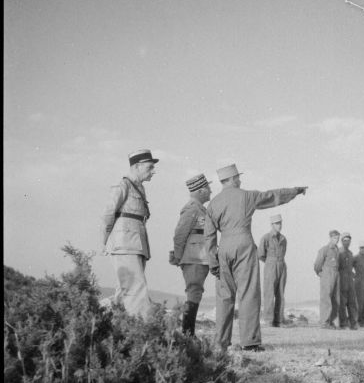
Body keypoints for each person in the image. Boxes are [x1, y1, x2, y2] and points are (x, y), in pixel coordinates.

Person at [205, 163, 307, 352]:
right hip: (244, 243)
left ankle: (221, 343)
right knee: (248, 292)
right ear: (232, 179)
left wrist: (213, 261)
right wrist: (295, 191)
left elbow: (209, 236)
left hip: (224, 247)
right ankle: (250, 342)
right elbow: (272, 196)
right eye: (238, 177)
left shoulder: (213, 203)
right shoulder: (246, 196)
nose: (240, 180)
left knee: (224, 296)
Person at [100, 148, 159, 318]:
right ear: (137, 166)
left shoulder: (138, 187)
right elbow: (107, 214)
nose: (153, 171)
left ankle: (119, 330)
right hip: (125, 244)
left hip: (135, 243)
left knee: (124, 291)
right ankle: (142, 331)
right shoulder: (123, 185)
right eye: (149, 167)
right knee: (135, 290)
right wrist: (105, 240)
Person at [169, 173, 212, 336]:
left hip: (200, 257)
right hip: (194, 258)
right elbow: (180, 234)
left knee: (196, 292)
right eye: (208, 188)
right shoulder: (192, 209)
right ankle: (188, 334)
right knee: (194, 291)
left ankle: (188, 333)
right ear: (201, 191)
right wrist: (178, 257)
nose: (210, 191)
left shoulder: (199, 209)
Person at [258, 214, 288, 327]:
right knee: (269, 293)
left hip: (281, 265)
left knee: (280, 293)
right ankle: (269, 320)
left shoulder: (283, 239)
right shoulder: (266, 238)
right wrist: (271, 263)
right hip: (270, 265)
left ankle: (279, 320)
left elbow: (283, 252)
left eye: (280, 223)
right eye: (277, 223)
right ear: (272, 225)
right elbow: (260, 254)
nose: (279, 225)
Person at [314, 230, 341, 329]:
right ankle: (324, 322)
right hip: (327, 273)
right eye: (334, 238)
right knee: (326, 297)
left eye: (338, 238)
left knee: (335, 298)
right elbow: (317, 264)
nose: (336, 240)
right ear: (330, 238)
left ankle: (332, 321)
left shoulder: (337, 250)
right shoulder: (324, 249)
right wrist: (320, 272)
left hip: (336, 273)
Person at [338, 232, 358, 330]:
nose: (347, 242)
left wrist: (354, 274)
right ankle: (343, 324)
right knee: (342, 302)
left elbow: (350, 267)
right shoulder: (339, 252)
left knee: (352, 302)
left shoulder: (350, 254)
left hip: (350, 281)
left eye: (349, 240)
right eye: (345, 240)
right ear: (342, 241)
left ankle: (353, 323)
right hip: (342, 280)